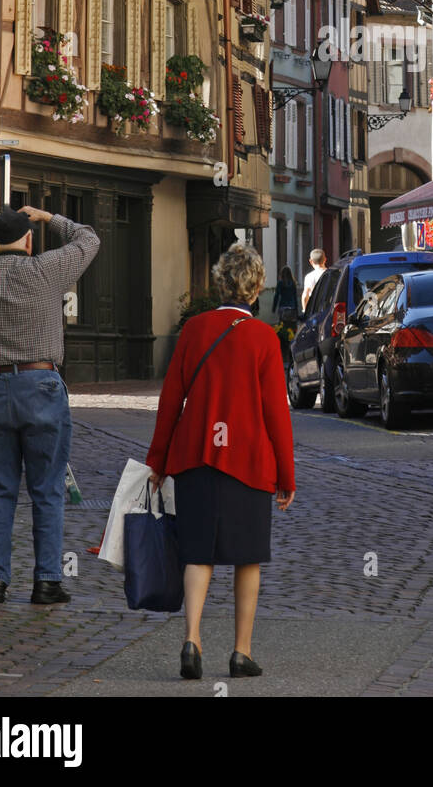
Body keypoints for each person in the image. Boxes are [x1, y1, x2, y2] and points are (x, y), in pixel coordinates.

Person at [147, 241, 295, 682]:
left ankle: (191, 639)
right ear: (257, 287)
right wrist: (286, 474)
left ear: (221, 282)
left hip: (195, 456)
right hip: (247, 460)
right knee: (247, 557)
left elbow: (170, 399)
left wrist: (158, 460)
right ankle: (240, 652)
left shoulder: (193, 330)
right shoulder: (263, 337)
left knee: (197, 552)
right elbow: (276, 413)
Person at [0, 203, 99, 604]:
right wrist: (47, 219)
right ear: (28, 240)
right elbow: (89, 239)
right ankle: (46, 581)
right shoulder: (47, 269)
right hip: (40, 384)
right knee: (47, 488)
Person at [272, 265, 300, 366]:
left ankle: (283, 352)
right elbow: (295, 297)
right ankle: (291, 352)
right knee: (292, 329)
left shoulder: (280, 283)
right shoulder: (292, 283)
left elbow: (276, 296)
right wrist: (297, 311)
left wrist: (274, 307)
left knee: (282, 329)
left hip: (283, 309)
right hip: (292, 309)